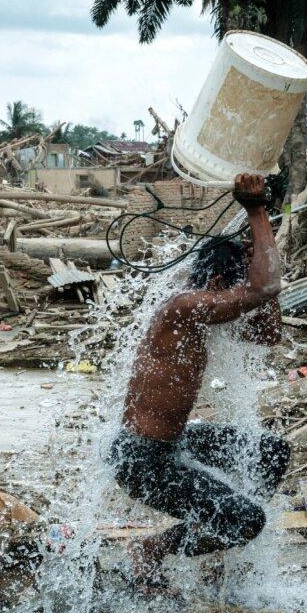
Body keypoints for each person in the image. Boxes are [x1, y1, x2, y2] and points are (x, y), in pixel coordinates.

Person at [104, 173, 291, 588]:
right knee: (248, 519)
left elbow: (267, 332)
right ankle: (153, 548)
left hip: (172, 444)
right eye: (236, 285)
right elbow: (264, 287)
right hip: (141, 459)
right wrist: (256, 211)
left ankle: (217, 532)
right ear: (220, 284)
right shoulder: (183, 307)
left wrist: (256, 261)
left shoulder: (198, 316)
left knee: (271, 453)